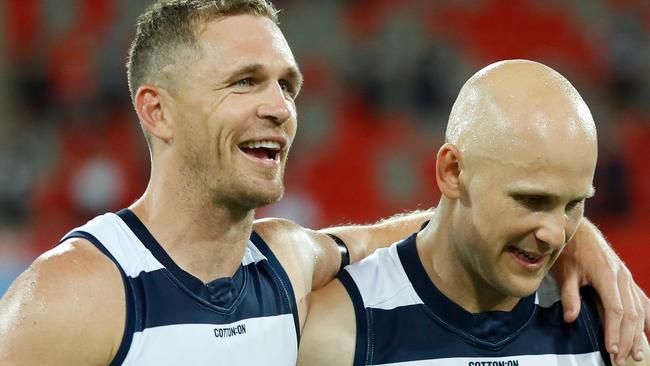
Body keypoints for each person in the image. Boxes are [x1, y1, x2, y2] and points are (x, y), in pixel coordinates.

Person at [0, 1, 646, 365]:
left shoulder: (288, 262)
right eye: (246, 81)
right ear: (156, 110)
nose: (280, 106)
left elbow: (417, 230)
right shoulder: (70, 296)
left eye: (288, 84)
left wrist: (569, 230)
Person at [297, 60, 650, 366]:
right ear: (452, 172)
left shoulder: (609, 331)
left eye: (574, 204)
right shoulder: (343, 331)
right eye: (531, 200)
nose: (556, 236)